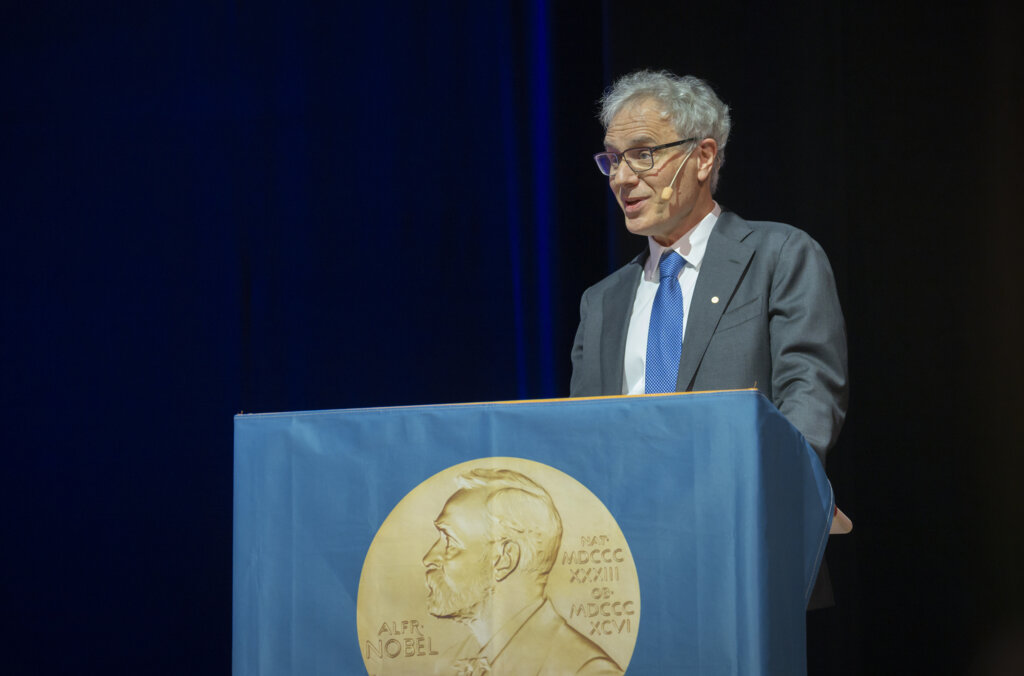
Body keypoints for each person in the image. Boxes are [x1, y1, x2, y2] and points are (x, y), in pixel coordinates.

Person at [570, 70, 848, 464]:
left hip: (738, 508)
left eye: (643, 154)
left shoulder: (779, 256)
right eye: (613, 159)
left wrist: (774, 481)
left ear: (702, 158)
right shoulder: (600, 302)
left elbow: (810, 396)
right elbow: (580, 433)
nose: (622, 178)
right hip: (629, 517)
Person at [423, 468, 623, 676]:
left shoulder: (588, 671)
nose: (428, 559)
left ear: (504, 559)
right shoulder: (449, 664)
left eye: (450, 542)